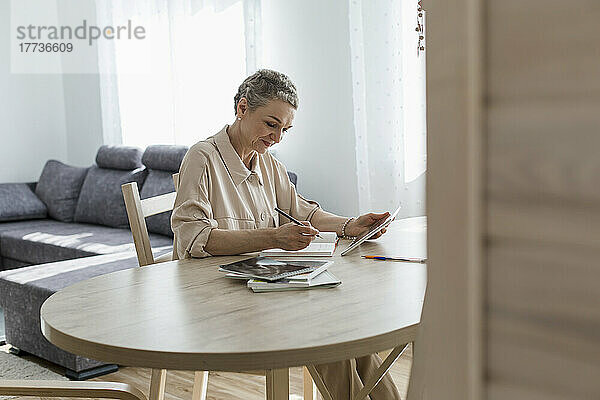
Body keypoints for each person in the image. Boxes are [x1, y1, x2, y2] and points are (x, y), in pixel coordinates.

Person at [172, 69, 401, 399]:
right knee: (328, 339)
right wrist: (274, 237)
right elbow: (196, 239)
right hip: (215, 303)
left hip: (262, 289)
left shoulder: (266, 161)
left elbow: (304, 211)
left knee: (348, 333)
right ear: (242, 108)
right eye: (271, 124)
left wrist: (352, 226)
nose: (277, 137)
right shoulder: (201, 157)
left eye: (285, 129)